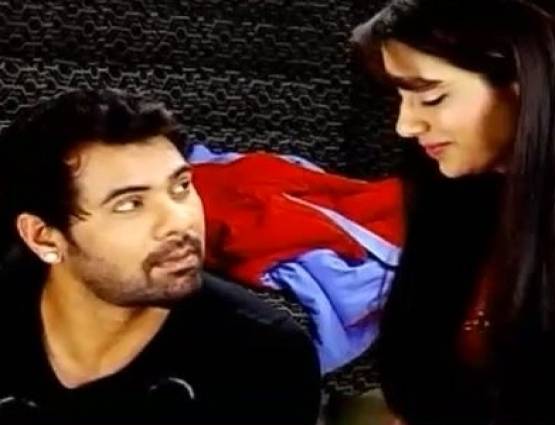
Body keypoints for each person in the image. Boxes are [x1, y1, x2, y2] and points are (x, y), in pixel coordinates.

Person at [352, 0, 555, 424]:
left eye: (431, 98)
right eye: (401, 97)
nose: (405, 125)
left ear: (528, 81)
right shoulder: (475, 183)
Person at [0, 89, 321, 424]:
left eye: (181, 187)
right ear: (43, 237)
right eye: (130, 204)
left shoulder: (264, 355)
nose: (180, 221)